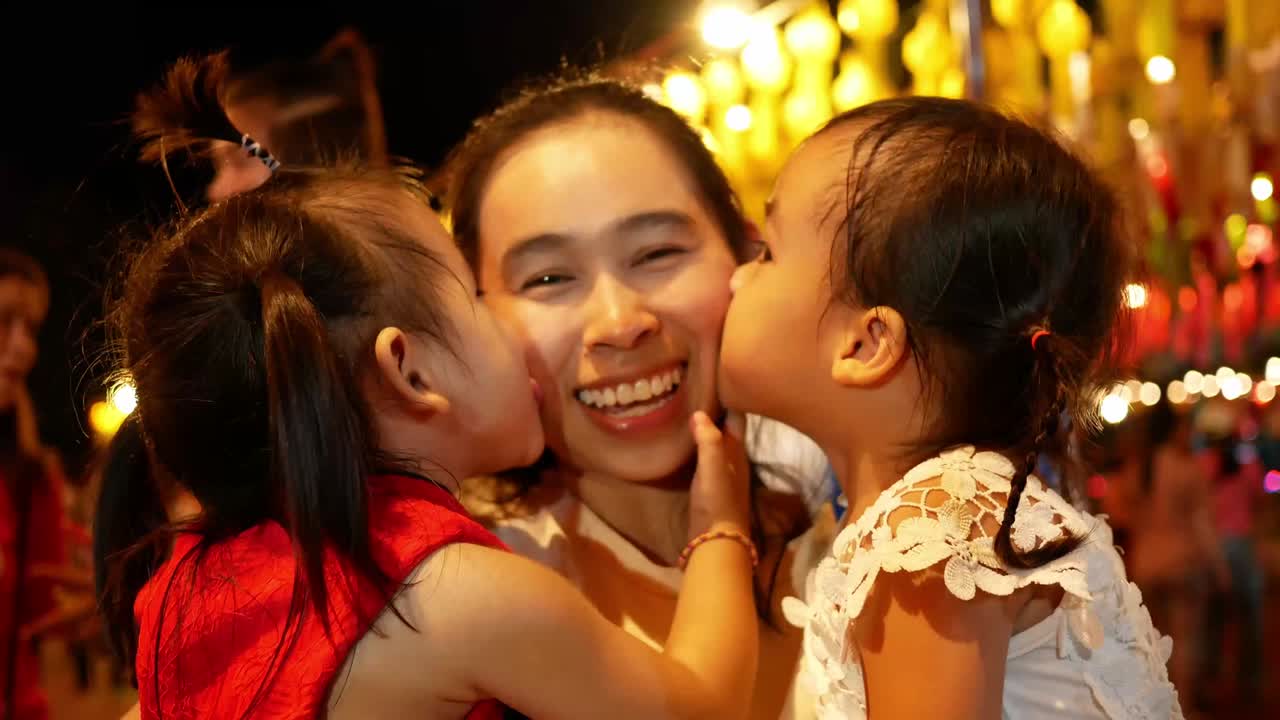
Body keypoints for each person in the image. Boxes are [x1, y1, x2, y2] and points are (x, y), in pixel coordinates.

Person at [96, 55, 760, 720]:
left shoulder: (203, 585)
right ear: (410, 373)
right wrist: (723, 533)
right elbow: (698, 707)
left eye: (656, 254)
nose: (619, 324)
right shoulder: (462, 588)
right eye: (480, 295)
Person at [721, 97, 1182, 718]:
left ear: (865, 344)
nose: (736, 278)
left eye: (767, 253)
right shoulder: (931, 517)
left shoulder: (934, 533)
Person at [446, 74, 830, 720]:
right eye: (548, 277)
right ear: (476, 317)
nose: (622, 323)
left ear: (746, 252)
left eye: (655, 252)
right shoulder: (472, 602)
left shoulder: (884, 521)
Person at [0, 249, 67, 720]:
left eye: (31, 329)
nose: (24, 348)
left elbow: (45, 607)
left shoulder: (26, 478)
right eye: (4, 323)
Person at [1131, 403, 1227, 703]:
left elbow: (1121, 512)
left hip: (1144, 563)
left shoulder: (1140, 467)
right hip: (1181, 563)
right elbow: (1202, 524)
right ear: (1172, 429)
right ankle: (1180, 706)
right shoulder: (1187, 467)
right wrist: (1220, 569)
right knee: (1185, 642)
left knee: (1149, 644)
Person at [1198, 432, 1265, 708]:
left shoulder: (1205, 465)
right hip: (1241, 546)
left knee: (1213, 620)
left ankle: (1208, 683)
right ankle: (1249, 681)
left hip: (1217, 547)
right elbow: (1261, 497)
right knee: (1249, 618)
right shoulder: (1248, 468)